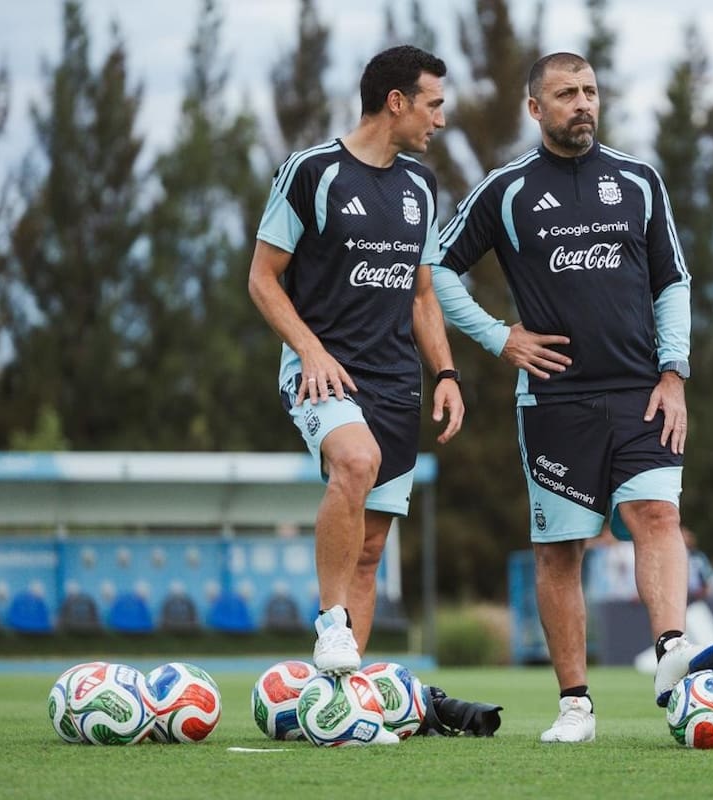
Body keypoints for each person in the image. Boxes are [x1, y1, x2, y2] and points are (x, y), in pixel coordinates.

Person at [431, 52, 713, 743]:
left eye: (590, 91)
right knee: (560, 551)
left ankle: (669, 653)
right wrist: (497, 336)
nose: (582, 103)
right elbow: (437, 268)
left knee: (657, 513)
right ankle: (576, 707)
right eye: (566, 93)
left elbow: (672, 282)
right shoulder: (506, 189)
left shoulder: (638, 180)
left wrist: (674, 372)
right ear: (535, 109)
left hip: (640, 390)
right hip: (554, 403)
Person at [247, 46, 463, 684]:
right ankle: (331, 622)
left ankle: (338, 698)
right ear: (396, 102)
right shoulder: (310, 171)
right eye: (434, 105)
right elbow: (262, 279)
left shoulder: (420, 186)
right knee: (355, 459)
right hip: (323, 373)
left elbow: (421, 293)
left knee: (370, 552)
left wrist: (447, 374)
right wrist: (310, 348)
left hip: (398, 383)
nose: (440, 121)